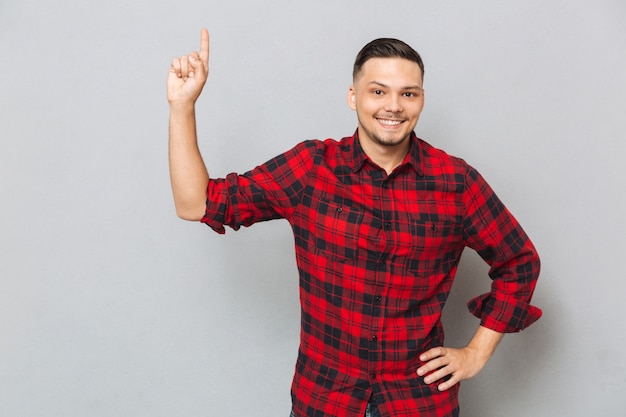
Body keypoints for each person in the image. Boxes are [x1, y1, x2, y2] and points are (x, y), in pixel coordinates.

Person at [167, 28, 541, 417]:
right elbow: (196, 204)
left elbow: (520, 262)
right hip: (326, 400)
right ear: (353, 97)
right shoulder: (311, 168)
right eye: (378, 91)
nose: (393, 106)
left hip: (417, 403)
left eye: (407, 93)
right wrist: (182, 107)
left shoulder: (455, 182)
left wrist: (476, 353)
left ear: (421, 100)